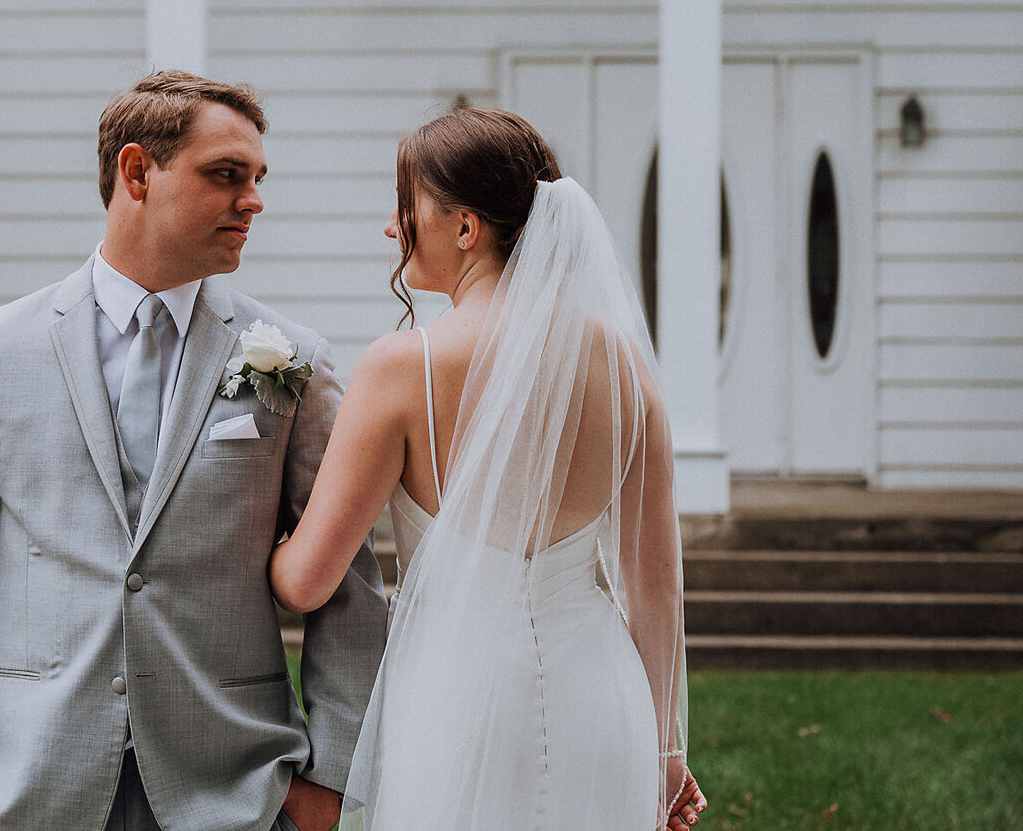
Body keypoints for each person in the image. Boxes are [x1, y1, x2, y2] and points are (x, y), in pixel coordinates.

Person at [0, 71, 388, 831]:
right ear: (136, 172)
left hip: (235, 787)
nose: (252, 199)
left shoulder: (290, 358)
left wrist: (325, 782)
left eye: (257, 178)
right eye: (226, 175)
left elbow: (352, 588)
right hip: (31, 783)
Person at [269, 107, 709, 831]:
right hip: (603, 701)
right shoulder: (628, 366)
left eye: (406, 208)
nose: (392, 227)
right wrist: (664, 753)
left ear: (465, 226)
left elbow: (308, 579)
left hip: (458, 704)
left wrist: (263, 527)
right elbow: (656, 587)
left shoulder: (400, 366)